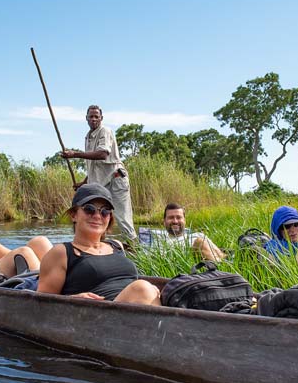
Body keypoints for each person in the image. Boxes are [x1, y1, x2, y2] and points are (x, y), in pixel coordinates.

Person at [37, 183, 160, 304]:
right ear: (74, 215)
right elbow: (41, 304)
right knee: (142, 288)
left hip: (135, 304)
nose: (97, 216)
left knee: (149, 289)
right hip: (95, 313)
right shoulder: (61, 253)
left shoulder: (116, 245)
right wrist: (72, 299)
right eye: (89, 209)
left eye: (105, 211)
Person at [59, 105, 135, 242]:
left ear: (101, 118)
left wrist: (74, 154)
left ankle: (134, 248)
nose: (93, 119)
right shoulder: (88, 137)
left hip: (115, 179)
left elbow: (102, 154)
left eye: (96, 117)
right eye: (91, 116)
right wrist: (84, 183)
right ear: (86, 118)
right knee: (99, 216)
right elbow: (95, 166)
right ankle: (99, 247)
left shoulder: (104, 131)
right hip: (102, 183)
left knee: (122, 218)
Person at [143, 203, 225, 262]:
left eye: (179, 217)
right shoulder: (159, 241)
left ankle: (221, 271)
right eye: (171, 218)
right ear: (164, 221)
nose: (175, 221)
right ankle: (221, 273)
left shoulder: (198, 235)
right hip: (188, 273)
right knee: (199, 242)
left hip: (210, 268)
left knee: (201, 240)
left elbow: (220, 255)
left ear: (184, 221)